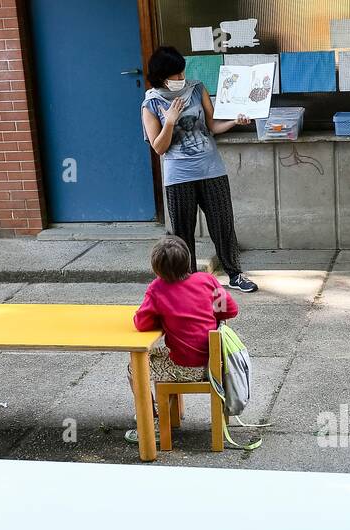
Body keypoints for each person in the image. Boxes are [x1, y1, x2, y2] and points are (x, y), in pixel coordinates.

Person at [141, 45, 259, 294]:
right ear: (162, 75)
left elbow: (212, 126)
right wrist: (170, 120)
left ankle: (235, 274)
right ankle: (189, 282)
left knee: (223, 224)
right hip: (178, 176)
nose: (181, 79)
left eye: (182, 73)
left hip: (211, 169)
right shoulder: (151, 103)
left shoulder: (196, 89)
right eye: (176, 75)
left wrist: (235, 121)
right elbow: (159, 147)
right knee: (183, 232)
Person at [125, 235, 239, 443]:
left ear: (156, 269)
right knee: (157, 359)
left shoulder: (157, 289)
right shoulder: (207, 281)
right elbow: (229, 310)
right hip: (214, 363)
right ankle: (167, 415)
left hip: (184, 366)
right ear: (188, 261)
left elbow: (142, 324)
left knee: (135, 366)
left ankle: (151, 421)